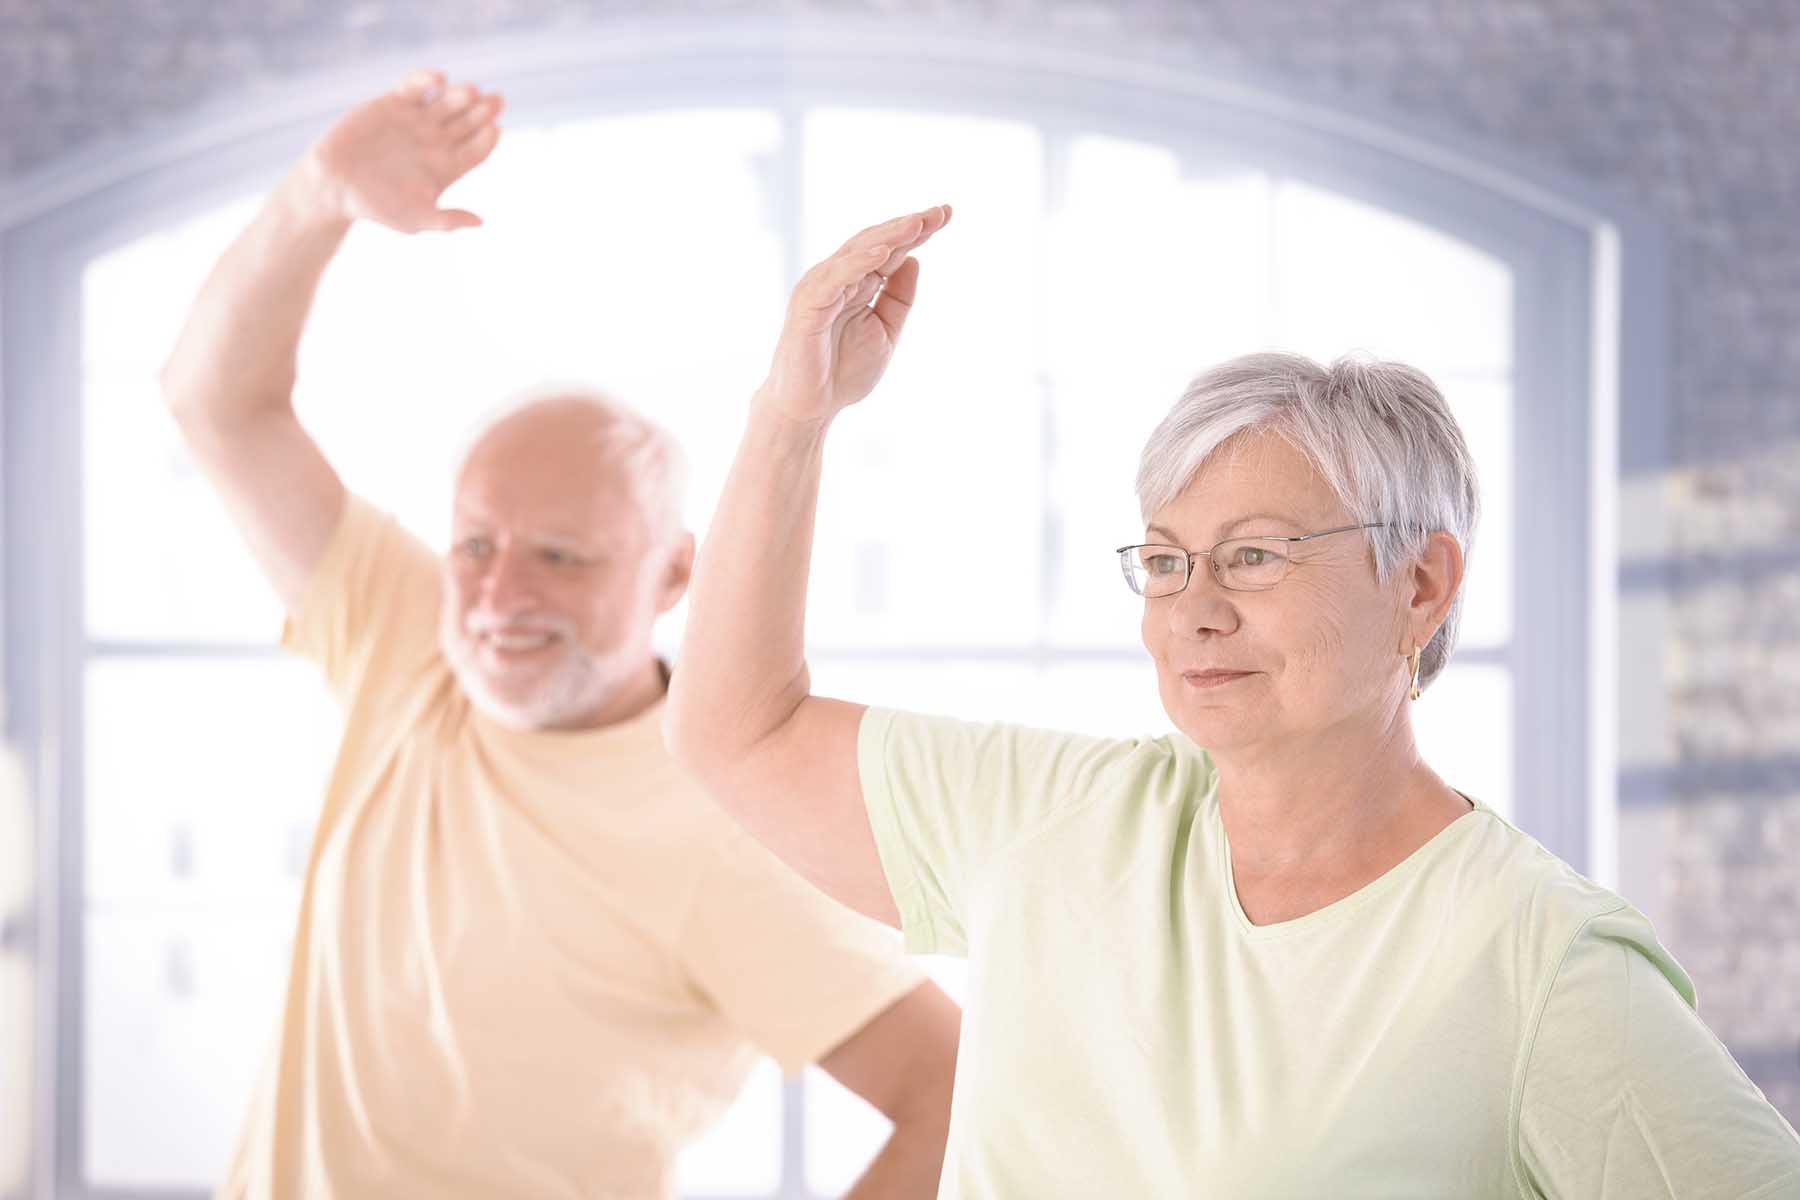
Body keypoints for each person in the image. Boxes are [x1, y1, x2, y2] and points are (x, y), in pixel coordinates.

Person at [664, 208, 1800, 1197]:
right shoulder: (1047, 821)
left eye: (1256, 557)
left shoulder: (1534, 964)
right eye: (1164, 561)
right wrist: (792, 416)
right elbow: (736, 730)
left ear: (1421, 583)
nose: (1194, 609)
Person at [160, 73, 958, 1200]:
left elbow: (954, 1097)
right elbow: (217, 401)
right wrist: (316, 198)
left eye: (564, 557)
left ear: (674, 572)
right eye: (477, 545)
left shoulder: (734, 830)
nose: (497, 597)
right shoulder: (413, 645)